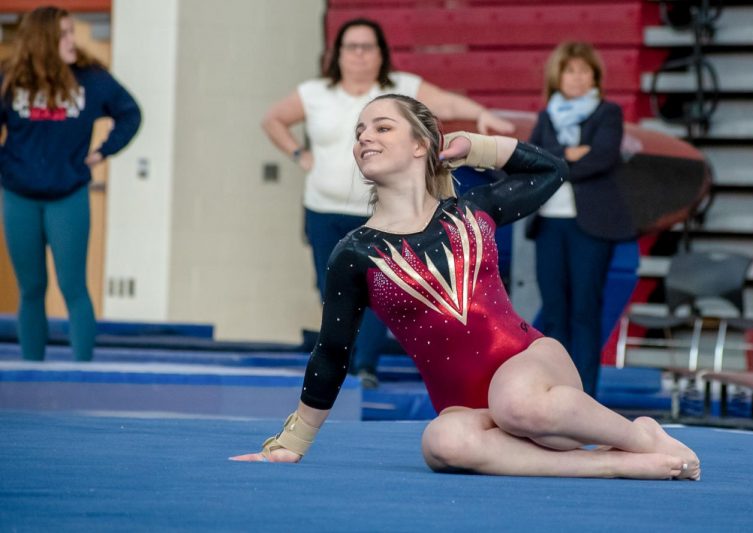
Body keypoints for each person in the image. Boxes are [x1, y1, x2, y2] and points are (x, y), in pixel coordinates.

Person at [233, 94, 700, 480]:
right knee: (442, 442)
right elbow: (332, 352)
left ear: (422, 145)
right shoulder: (356, 253)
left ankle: (640, 437)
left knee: (517, 403)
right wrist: (292, 442)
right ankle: (612, 466)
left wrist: (475, 145)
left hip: (533, 370)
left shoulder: (470, 210)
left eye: (381, 127)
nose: (364, 138)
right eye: (359, 132)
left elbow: (552, 171)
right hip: (471, 412)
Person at [261, 18, 514, 388]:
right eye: (352, 47)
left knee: (382, 288)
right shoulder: (315, 93)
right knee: (331, 288)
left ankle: (366, 367)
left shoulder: (400, 88)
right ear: (338, 54)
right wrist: (300, 154)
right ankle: (342, 365)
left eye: (368, 47)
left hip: (380, 212)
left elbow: (444, 100)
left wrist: (479, 113)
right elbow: (273, 119)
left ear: (381, 54)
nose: (360, 55)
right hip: (323, 209)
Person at [0, 6, 141, 362]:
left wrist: (103, 151)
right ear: (43, 39)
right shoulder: (10, 78)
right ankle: (31, 369)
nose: (71, 41)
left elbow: (130, 112)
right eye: (63, 34)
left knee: (73, 286)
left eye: (71, 32)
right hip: (19, 195)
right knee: (31, 288)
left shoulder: (91, 79)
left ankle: (84, 371)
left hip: (68, 195)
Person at [528, 42, 633, 398]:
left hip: (591, 226)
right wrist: (568, 155)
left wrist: (555, 161)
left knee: (585, 311)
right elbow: (532, 159)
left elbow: (602, 158)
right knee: (554, 311)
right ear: (558, 76)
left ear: (595, 77)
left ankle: (586, 394)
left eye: (584, 71)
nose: (576, 78)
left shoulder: (608, 113)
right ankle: (556, 391)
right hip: (549, 225)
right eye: (570, 70)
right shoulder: (546, 116)